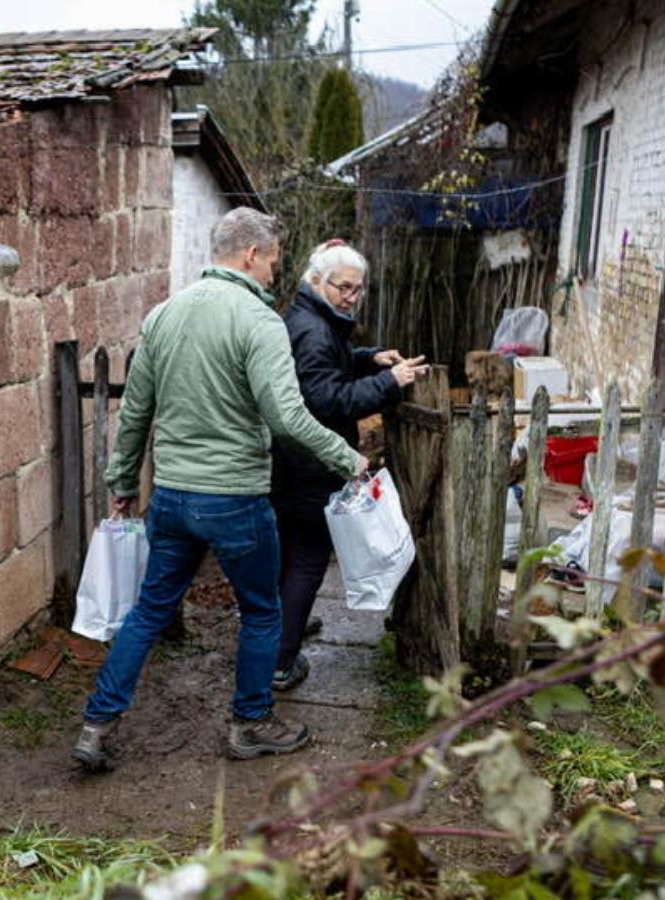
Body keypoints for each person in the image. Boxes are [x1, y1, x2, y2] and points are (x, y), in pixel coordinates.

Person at [72, 208, 369, 773]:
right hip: (235, 499)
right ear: (251, 255)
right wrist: (346, 456)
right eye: (275, 260)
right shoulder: (259, 323)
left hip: (174, 498)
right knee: (262, 612)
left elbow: (135, 410)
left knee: (149, 611)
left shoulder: (164, 315)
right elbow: (287, 417)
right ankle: (251, 723)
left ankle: (97, 724)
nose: (275, 273)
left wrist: (121, 482)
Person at [269, 240, 426, 691]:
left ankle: (282, 633)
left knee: (289, 556)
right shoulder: (315, 332)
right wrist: (389, 382)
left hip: (290, 462)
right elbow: (327, 401)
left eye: (357, 290)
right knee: (307, 561)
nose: (352, 297)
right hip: (308, 466)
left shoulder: (311, 319)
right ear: (316, 281)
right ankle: (281, 662)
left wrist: (368, 357)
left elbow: (330, 368)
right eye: (344, 288)